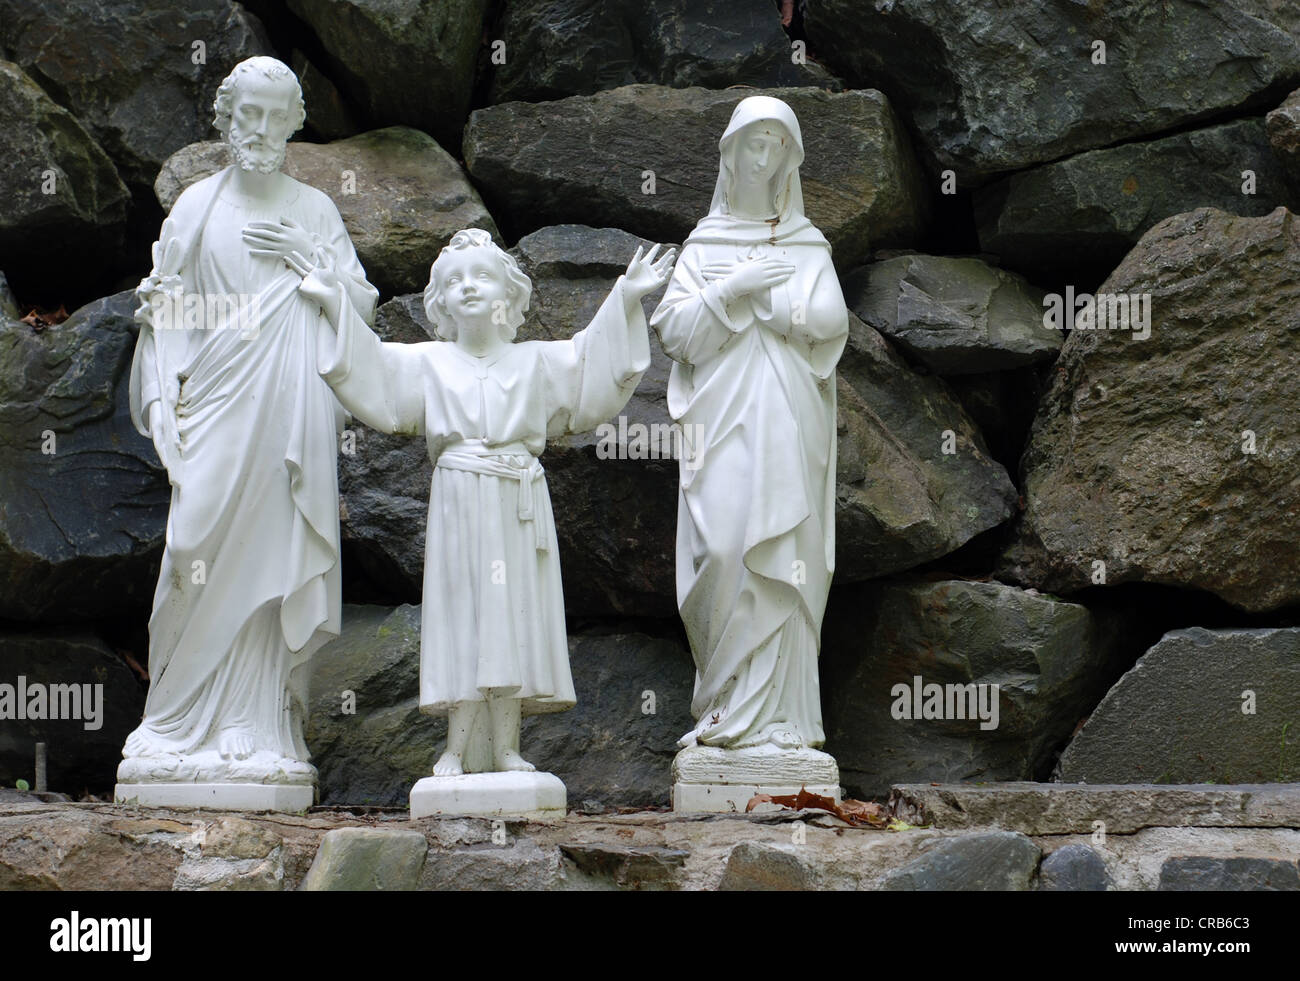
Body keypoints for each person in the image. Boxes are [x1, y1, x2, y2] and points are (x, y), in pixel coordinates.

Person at [296, 228, 675, 774]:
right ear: (440, 302)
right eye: (453, 281)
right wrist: (334, 300)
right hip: (460, 497)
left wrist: (626, 296)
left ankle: (506, 750)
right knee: (463, 617)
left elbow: (593, 359)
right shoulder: (426, 361)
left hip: (516, 498)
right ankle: (456, 746)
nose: (468, 288)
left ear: (510, 294)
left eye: (482, 276)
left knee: (512, 618)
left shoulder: (537, 362)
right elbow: (370, 364)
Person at [119, 57, 376, 790]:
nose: (259, 130)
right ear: (227, 120)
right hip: (215, 404)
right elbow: (168, 306)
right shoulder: (197, 206)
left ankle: (256, 720)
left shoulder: (315, 211)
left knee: (273, 547)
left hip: (288, 410)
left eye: (274, 116)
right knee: (191, 547)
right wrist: (164, 388)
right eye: (247, 115)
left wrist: (312, 264)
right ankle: (171, 716)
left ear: (295, 122)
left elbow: (358, 312)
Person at [650, 96, 849, 752]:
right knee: (729, 542)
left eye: (775, 145)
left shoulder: (806, 244)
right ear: (730, 152)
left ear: (788, 158)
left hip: (790, 418)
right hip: (723, 421)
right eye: (751, 143)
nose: (762, 157)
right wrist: (730, 289)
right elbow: (676, 331)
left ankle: (786, 720)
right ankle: (723, 708)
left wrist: (771, 305)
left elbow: (828, 323)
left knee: (785, 551)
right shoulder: (705, 245)